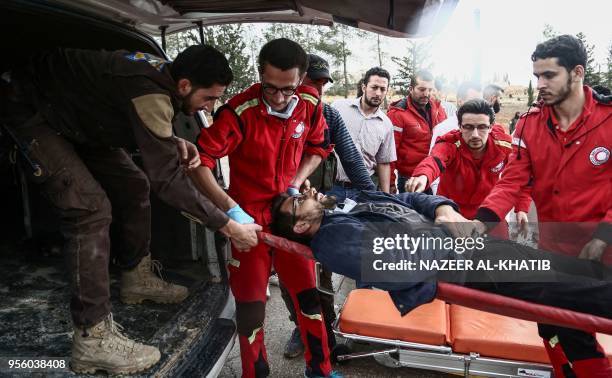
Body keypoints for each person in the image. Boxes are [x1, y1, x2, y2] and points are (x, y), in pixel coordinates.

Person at [0, 45, 261, 374]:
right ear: (184, 86)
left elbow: (129, 113)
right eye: (208, 98)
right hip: (29, 108)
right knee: (90, 209)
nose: (209, 107)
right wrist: (226, 224)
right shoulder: (150, 91)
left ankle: (136, 277)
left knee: (134, 184)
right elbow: (168, 181)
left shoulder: (163, 79)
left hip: (76, 117)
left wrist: (169, 140)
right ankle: (92, 339)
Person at [270, 189, 612, 377]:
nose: (307, 192)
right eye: (299, 201)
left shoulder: (344, 203)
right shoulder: (333, 239)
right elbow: (399, 268)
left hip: (469, 247)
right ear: (300, 227)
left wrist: (443, 210)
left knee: (573, 271)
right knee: (569, 289)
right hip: (463, 266)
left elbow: (407, 198)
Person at [190, 39, 338, 378]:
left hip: (289, 215)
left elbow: (319, 147)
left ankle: (320, 371)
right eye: (269, 87)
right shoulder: (238, 111)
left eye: (287, 89)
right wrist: (231, 210)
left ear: (300, 81)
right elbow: (200, 161)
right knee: (252, 310)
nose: (278, 97)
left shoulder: (311, 105)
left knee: (309, 301)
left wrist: (296, 181)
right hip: (249, 220)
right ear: (260, 74)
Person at [474, 35, 612, 377]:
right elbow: (511, 180)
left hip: (604, 248)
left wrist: (602, 238)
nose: (540, 85)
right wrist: (480, 223)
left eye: (549, 75)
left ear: (577, 73)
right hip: (554, 247)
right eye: (537, 76)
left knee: (582, 326)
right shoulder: (529, 123)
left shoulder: (609, 121)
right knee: (552, 325)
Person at [279, 54, 375, 359]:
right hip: (281, 210)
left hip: (313, 207)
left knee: (318, 272)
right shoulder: (275, 112)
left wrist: (377, 200)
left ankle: (325, 326)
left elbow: (352, 160)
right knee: (286, 277)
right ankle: (300, 325)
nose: (317, 90)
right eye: (311, 82)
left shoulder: (328, 115)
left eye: (322, 84)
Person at [407, 99, 530, 237]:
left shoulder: (504, 144)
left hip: (489, 213)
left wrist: (522, 208)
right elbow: (435, 159)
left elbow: (519, 175)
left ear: (491, 127)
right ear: (460, 126)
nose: (475, 135)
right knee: (450, 255)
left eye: (482, 127)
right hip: (453, 213)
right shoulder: (450, 142)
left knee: (499, 253)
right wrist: (423, 175)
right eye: (469, 127)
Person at [330, 67, 396, 202]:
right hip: (332, 187)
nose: (378, 93)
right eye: (374, 87)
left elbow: (383, 163)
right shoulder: (338, 108)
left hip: (363, 192)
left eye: (382, 89)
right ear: (364, 87)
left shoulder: (386, 124)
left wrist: (385, 198)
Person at [388, 70, 447, 193]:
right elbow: (389, 151)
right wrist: (390, 182)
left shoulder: (438, 109)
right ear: (411, 88)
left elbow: (447, 139)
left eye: (430, 90)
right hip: (410, 178)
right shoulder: (398, 114)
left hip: (436, 175)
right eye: (422, 89)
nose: (426, 93)